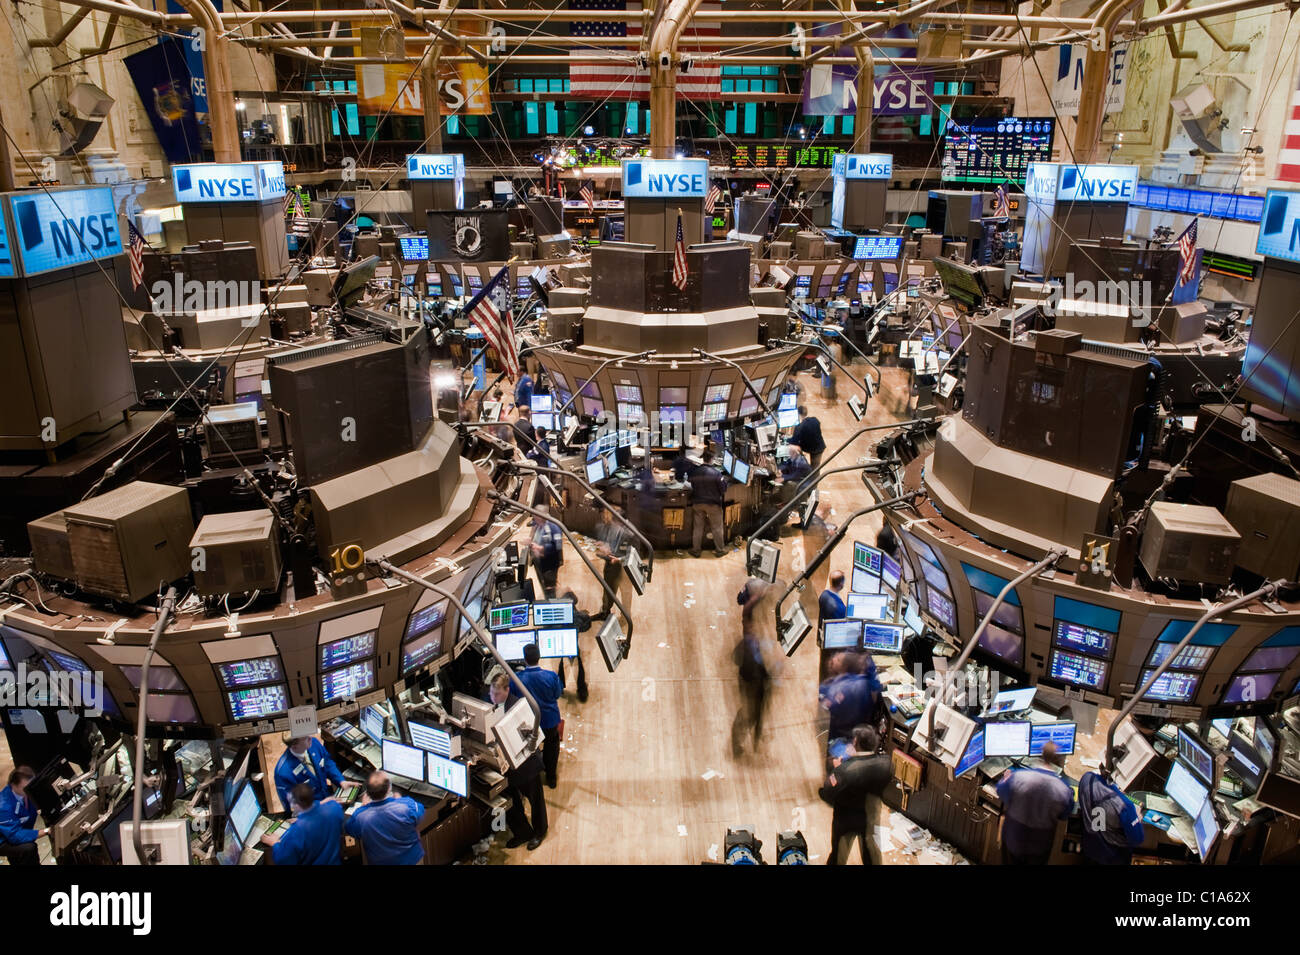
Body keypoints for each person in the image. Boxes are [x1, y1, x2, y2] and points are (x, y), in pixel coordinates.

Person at [818, 725, 893, 864]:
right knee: (871, 854)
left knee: (838, 856)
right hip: (870, 817)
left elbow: (827, 794)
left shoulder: (844, 770)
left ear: (855, 742)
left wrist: (838, 768)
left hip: (845, 820)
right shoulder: (886, 764)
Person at [996, 742, 1075, 864]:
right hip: (1040, 845)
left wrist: (1005, 778)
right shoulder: (1063, 789)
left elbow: (1001, 792)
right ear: (1059, 761)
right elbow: (1065, 814)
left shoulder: (1019, 777)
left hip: (1014, 837)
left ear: (1040, 755)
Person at [513, 644, 564, 788]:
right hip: (549, 721)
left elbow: (514, 699)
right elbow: (557, 694)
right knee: (552, 746)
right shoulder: (551, 676)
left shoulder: (516, 679)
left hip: (529, 724)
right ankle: (551, 777)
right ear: (539, 657)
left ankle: (532, 777)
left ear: (524, 659)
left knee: (529, 748)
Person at [345, 771, 425, 865]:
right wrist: (399, 800)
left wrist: (363, 806)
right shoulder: (407, 805)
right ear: (389, 788)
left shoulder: (360, 817)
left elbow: (350, 830)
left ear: (367, 793)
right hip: (411, 860)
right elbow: (420, 813)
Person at [731, 582, 772, 757]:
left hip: (759, 679)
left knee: (759, 711)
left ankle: (757, 736)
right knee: (748, 714)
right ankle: (737, 744)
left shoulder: (755, 639)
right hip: (751, 681)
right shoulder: (748, 642)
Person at [265, 781, 344, 866]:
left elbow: (283, 861)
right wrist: (302, 819)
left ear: (297, 805)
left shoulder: (297, 831)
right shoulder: (334, 808)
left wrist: (275, 843)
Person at [1078, 770, 1145, 865]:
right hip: (1114, 857)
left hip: (1090, 849)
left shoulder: (1087, 778)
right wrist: (1136, 817)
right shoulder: (1125, 806)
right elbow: (1137, 839)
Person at [274, 734, 344, 812]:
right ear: (294, 746)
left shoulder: (314, 743)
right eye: (305, 738)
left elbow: (327, 762)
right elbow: (293, 807)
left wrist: (341, 780)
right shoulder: (283, 773)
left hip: (328, 797)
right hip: (311, 813)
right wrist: (321, 804)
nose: (310, 737)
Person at [819, 653, 873, 748]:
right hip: (845, 727)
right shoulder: (850, 679)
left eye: (838, 660)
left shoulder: (846, 688)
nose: (834, 658)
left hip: (840, 735)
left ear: (844, 667)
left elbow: (825, 707)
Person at [0, 766, 46, 865]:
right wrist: (45, 831)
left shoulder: (25, 792)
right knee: (29, 848)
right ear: (13, 785)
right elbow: (14, 836)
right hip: (4, 839)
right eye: (25, 787)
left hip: (16, 830)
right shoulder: (3, 806)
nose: (29, 789)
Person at [505, 747, 548, 851]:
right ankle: (522, 833)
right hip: (501, 758)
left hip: (523, 754)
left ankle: (540, 831)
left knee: (534, 795)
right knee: (508, 798)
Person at [689, 450, 728, 558]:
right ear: (712, 460)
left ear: (703, 459)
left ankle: (696, 550)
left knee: (698, 527)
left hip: (697, 503)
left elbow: (691, 483)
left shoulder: (695, 471)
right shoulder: (716, 473)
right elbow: (723, 489)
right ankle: (720, 550)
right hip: (713, 505)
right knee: (717, 528)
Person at [593, 505, 629, 618]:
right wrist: (604, 545)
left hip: (624, 568)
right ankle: (605, 612)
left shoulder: (629, 533)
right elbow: (612, 544)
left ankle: (626, 617)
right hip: (611, 565)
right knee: (608, 590)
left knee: (625, 593)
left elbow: (634, 554)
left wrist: (618, 558)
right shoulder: (614, 527)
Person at [557, 589, 591, 703]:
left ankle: (560, 687)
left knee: (561, 664)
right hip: (573, 643)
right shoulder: (579, 616)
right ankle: (581, 689)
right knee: (579, 664)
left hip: (561, 643)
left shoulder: (558, 615)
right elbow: (587, 626)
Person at [530, 505, 564, 599]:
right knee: (543, 585)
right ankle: (547, 599)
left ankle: (552, 605)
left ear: (542, 515)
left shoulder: (554, 527)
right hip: (539, 562)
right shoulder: (536, 524)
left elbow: (557, 546)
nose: (534, 517)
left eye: (536, 515)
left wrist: (541, 548)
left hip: (550, 564)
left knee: (550, 588)